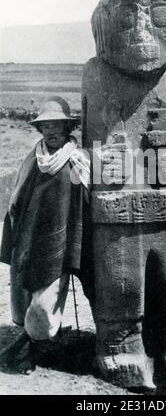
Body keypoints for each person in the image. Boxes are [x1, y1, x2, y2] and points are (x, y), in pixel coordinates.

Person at [0, 96, 91, 373]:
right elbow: (17, 198)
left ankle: (27, 353)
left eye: (56, 126)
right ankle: (25, 346)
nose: (51, 131)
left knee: (43, 304)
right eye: (46, 126)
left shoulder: (77, 160)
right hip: (28, 240)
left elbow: (84, 204)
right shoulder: (33, 158)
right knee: (25, 300)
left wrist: (77, 245)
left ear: (67, 128)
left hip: (58, 244)